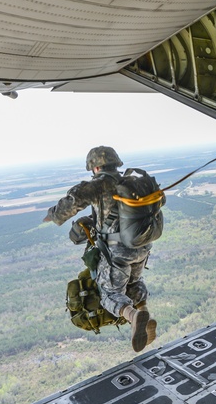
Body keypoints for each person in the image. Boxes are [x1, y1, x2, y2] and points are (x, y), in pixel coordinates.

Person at [43, 146, 156, 352]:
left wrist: (53, 215)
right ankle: (145, 314)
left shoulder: (98, 185)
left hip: (118, 251)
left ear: (95, 167)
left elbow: (71, 203)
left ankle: (134, 316)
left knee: (110, 294)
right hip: (143, 246)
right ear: (116, 163)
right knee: (135, 282)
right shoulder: (133, 182)